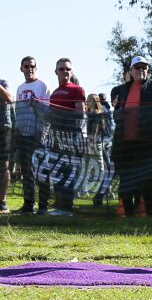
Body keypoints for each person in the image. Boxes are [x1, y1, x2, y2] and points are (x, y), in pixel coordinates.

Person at [111, 56, 152, 216]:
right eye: (137, 67)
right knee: (126, 179)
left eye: (144, 67)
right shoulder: (122, 89)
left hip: (148, 143)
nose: (141, 70)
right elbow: (116, 114)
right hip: (126, 143)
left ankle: (151, 212)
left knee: (150, 179)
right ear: (131, 71)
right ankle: (128, 211)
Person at [47, 58, 87, 216]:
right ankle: (59, 206)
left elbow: (80, 113)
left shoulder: (77, 89)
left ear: (72, 71)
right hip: (55, 137)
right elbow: (50, 115)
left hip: (71, 137)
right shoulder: (55, 93)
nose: (65, 72)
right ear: (56, 71)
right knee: (57, 170)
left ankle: (67, 207)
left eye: (68, 69)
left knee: (70, 171)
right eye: (62, 69)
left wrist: (63, 117)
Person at [14, 56, 50, 214]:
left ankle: (43, 205)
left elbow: (48, 112)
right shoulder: (20, 88)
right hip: (23, 134)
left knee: (41, 170)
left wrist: (38, 106)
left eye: (32, 66)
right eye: (26, 66)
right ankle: (28, 203)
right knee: (26, 171)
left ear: (36, 68)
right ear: (21, 68)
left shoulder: (42, 85)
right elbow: (18, 111)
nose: (30, 69)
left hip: (38, 134)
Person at [0, 76, 13, 213]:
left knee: (3, 165)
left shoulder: (3, 82)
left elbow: (10, 98)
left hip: (2, 127)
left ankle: (2, 201)